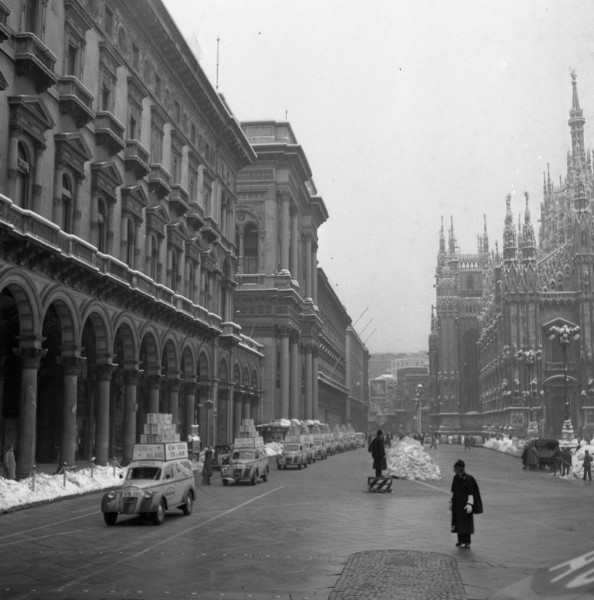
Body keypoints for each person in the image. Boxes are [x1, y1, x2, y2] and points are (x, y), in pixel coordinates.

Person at [449, 459, 483, 550]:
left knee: (466, 524)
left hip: (465, 506)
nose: (454, 470)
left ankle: (467, 542)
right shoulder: (455, 478)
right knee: (458, 523)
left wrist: (469, 504)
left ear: (460, 469)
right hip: (457, 505)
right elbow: (452, 490)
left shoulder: (468, 479)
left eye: (455, 468)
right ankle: (461, 540)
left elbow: (471, 493)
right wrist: (451, 502)